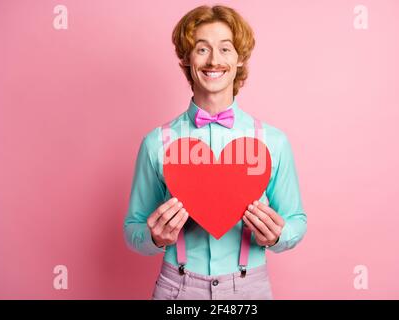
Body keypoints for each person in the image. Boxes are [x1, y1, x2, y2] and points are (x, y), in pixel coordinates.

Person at [123, 5, 307, 300]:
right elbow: (132, 228)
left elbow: (296, 219)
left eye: (225, 49)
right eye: (201, 49)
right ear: (186, 58)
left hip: (250, 291)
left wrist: (278, 235)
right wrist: (154, 237)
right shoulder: (157, 142)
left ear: (239, 58)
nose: (214, 60)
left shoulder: (272, 142)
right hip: (178, 290)